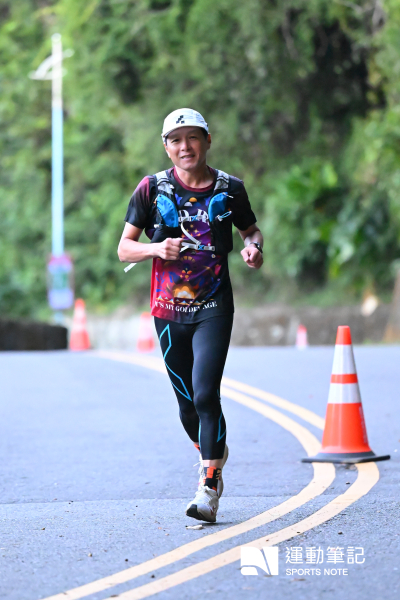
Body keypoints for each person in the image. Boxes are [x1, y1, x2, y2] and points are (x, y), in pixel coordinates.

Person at [118, 108, 263, 522]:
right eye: (176, 140)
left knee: (205, 394)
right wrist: (154, 248)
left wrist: (253, 247)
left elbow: (250, 230)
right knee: (186, 405)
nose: (186, 147)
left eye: (193, 137)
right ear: (166, 147)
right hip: (167, 310)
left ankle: (209, 485)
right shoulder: (151, 189)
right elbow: (124, 248)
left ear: (207, 141)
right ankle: (212, 451)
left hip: (214, 305)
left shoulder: (230, 188)